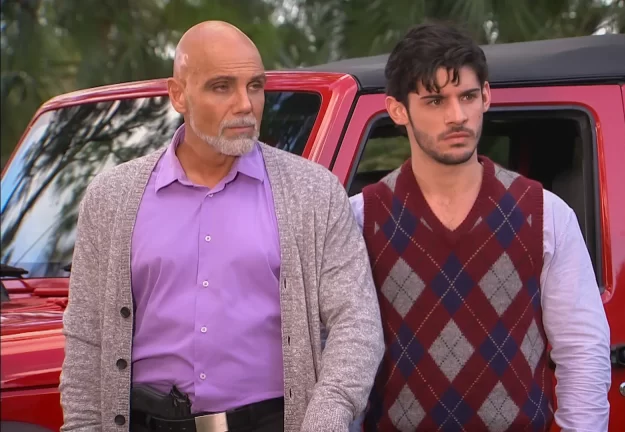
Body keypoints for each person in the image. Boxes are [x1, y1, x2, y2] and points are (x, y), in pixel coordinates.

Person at [59, 20, 384, 432]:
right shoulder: (111, 198)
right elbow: (86, 338)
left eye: (255, 86)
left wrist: (325, 420)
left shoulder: (314, 193)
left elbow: (357, 323)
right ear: (179, 94)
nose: (245, 104)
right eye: (221, 87)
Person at [349, 23, 611, 431]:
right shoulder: (360, 218)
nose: (457, 116)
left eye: (468, 97)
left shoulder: (545, 213)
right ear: (398, 110)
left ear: (486, 96)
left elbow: (583, 349)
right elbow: (340, 361)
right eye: (435, 101)